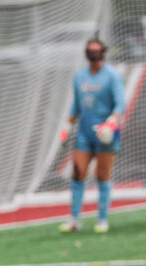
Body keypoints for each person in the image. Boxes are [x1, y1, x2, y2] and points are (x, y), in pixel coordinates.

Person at [59, 38, 126, 233]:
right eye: (90, 51)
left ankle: (102, 219)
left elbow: (120, 104)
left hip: (105, 134)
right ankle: (74, 219)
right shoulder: (80, 76)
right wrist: (67, 126)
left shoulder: (112, 76)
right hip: (84, 134)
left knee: (102, 175)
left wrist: (110, 123)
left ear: (103, 53)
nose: (93, 55)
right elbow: (76, 105)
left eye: (97, 51)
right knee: (78, 173)